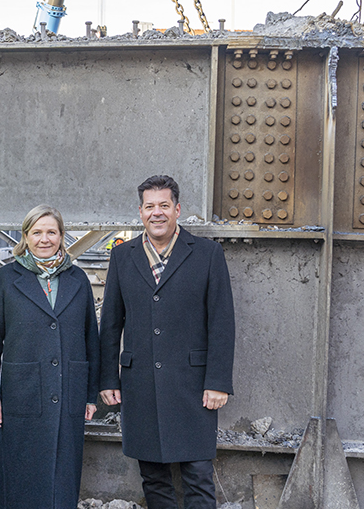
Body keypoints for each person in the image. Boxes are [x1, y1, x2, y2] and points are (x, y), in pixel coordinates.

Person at [99, 175, 235, 509]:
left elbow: (222, 322)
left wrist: (217, 381)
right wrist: (107, 378)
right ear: (140, 212)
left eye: (164, 206)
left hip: (192, 385)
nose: (156, 213)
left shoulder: (207, 253)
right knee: (154, 477)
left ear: (177, 209)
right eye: (149, 206)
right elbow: (111, 322)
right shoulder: (122, 256)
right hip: (140, 383)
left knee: (198, 475)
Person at [0, 205, 100, 509]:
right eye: (37, 232)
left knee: (63, 474)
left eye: (51, 232)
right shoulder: (7, 279)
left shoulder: (78, 280)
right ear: (25, 236)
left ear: (61, 236)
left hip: (66, 392)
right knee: (21, 472)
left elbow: (91, 341)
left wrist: (90, 395)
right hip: (22, 394)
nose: (44, 239)